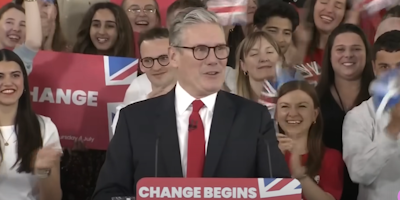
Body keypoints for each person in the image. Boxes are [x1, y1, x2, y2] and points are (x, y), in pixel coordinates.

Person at [93, 7, 290, 199]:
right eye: (201, 50)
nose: (214, 60)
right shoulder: (134, 120)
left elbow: (279, 193)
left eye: (220, 49)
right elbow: (108, 193)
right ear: (173, 56)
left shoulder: (254, 118)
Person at [316, 23, 375, 200]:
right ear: (330, 55)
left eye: (356, 49)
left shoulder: (381, 98)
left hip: (373, 190)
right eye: (340, 49)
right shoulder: (314, 99)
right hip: (326, 190)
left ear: (367, 54)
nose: (348, 55)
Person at [343, 30, 400, 200]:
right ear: (374, 68)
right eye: (384, 67)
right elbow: (358, 173)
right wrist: (392, 130)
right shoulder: (358, 117)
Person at [0, 49, 62, 200]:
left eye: (15, 75)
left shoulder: (45, 128)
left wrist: (43, 171)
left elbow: (53, 198)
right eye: (0, 76)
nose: (8, 82)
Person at [276, 81, 344, 200]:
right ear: (276, 114)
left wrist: (301, 177)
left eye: (302, 106)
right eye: (285, 106)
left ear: (314, 114)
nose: (292, 114)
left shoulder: (331, 157)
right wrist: (274, 161)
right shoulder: (263, 155)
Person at [111, 27, 176, 133]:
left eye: (163, 58)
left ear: (176, 58)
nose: (156, 67)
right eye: (148, 60)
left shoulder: (199, 95)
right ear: (141, 65)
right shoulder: (135, 93)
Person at [0, 2, 42, 74]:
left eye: (22, 25)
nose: (16, 29)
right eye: (9, 22)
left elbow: (33, 42)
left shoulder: (17, 59)